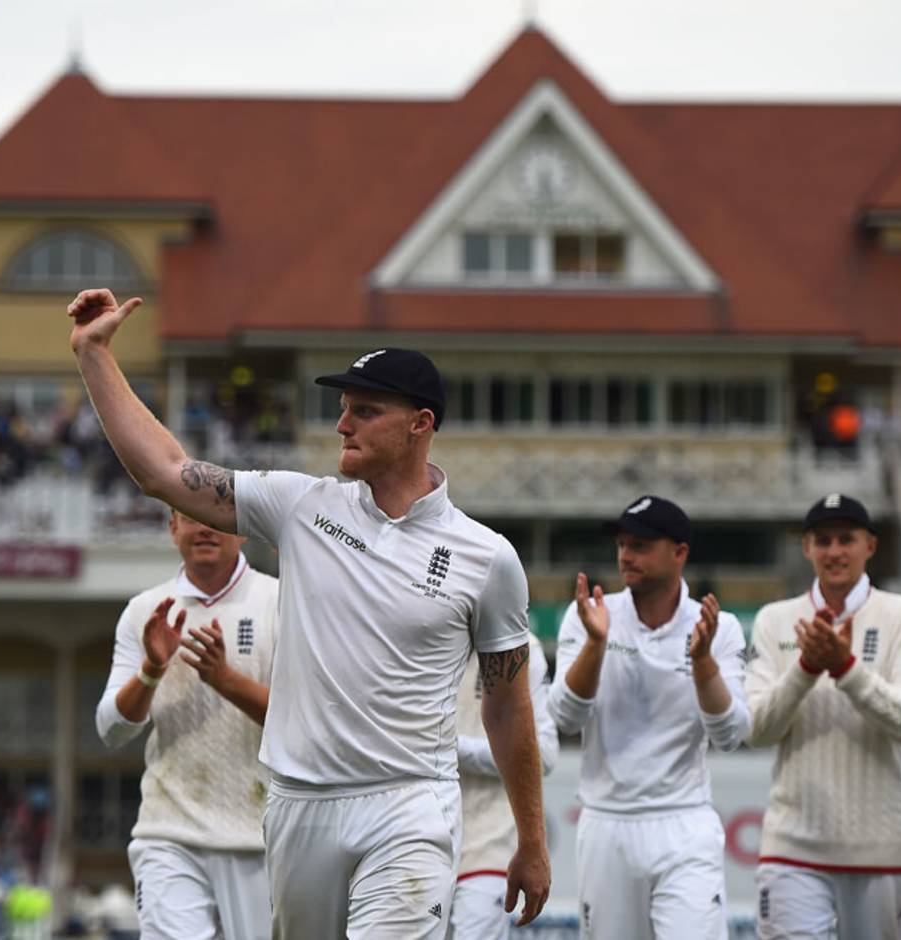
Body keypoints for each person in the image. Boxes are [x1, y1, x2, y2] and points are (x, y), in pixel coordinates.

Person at [67, 288, 550, 938]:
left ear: (420, 424)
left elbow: (507, 706)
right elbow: (165, 473)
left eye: (365, 411)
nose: (342, 425)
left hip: (410, 804)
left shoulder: (488, 557)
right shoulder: (301, 506)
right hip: (299, 803)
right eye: (343, 409)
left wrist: (533, 838)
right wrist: (93, 354)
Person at [547, 495, 750, 940]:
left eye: (640, 545)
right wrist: (596, 647)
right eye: (622, 544)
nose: (625, 555)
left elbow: (731, 732)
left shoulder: (719, 626)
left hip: (685, 821)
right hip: (606, 821)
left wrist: (702, 664)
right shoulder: (590, 616)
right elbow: (565, 716)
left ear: (680, 552)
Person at [746, 493, 901, 940]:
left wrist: (846, 668)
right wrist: (807, 668)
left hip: (883, 850)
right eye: (823, 540)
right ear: (806, 547)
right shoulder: (775, 620)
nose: (834, 552)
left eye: (846, 539)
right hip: (793, 845)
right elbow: (755, 729)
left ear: (870, 545)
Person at [96, 509, 277, 939]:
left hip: (262, 836)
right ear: (173, 527)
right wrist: (151, 670)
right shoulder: (145, 611)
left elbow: (305, 726)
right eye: (188, 516)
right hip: (168, 829)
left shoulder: (282, 601)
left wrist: (225, 680)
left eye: (216, 517)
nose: (203, 527)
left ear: (244, 532)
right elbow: (111, 729)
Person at [450, 642, 559, 940]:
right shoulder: (418, 632)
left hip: (489, 852)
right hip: (414, 843)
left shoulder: (523, 646)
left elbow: (545, 754)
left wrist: (451, 748)